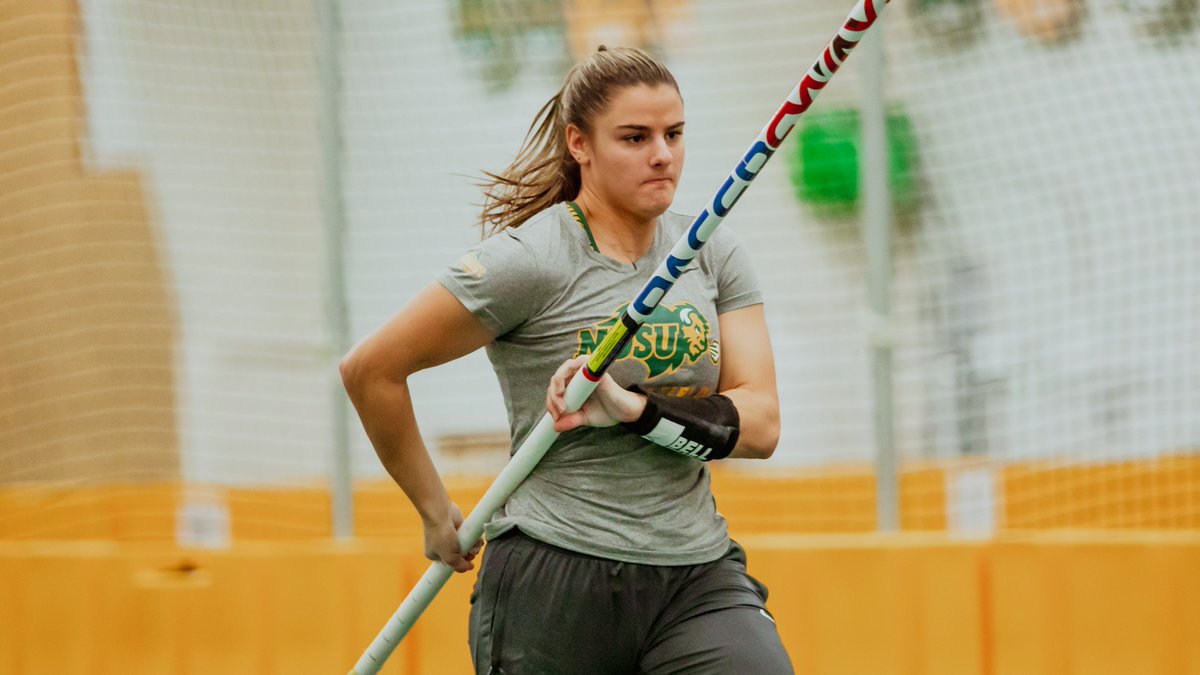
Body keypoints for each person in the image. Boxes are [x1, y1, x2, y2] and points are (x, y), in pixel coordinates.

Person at [340, 46, 792, 674]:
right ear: (580, 144)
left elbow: (760, 425)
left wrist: (632, 410)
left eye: (674, 134)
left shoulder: (713, 253)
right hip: (554, 576)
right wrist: (433, 510)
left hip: (694, 575)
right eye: (634, 137)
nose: (662, 155)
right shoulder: (530, 261)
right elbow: (371, 371)